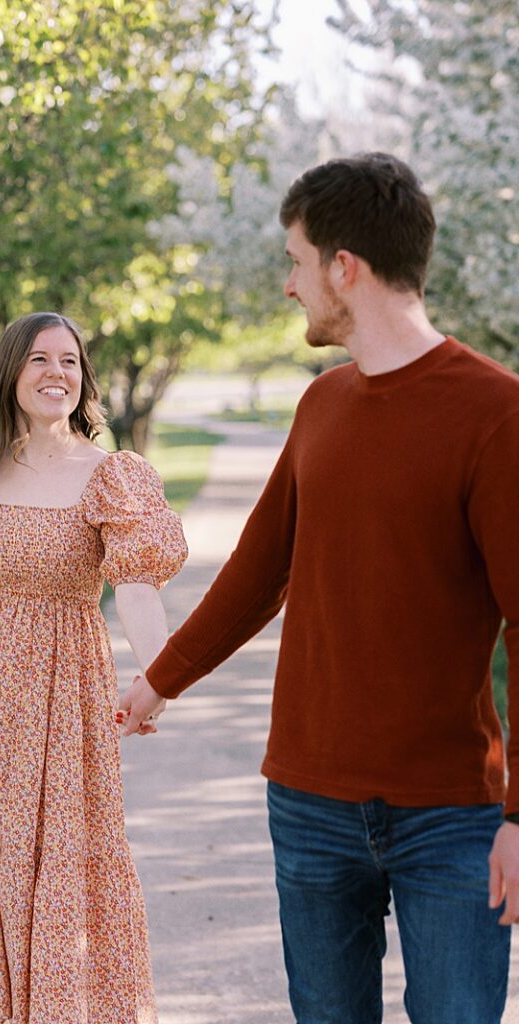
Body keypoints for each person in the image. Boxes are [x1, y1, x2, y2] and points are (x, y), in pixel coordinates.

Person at [120, 153, 519, 1023]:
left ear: (346, 267)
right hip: (308, 802)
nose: (290, 285)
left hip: (449, 815)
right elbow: (261, 571)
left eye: (297, 261)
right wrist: (155, 683)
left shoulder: (497, 413)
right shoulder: (322, 406)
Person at [0, 311, 187, 1024]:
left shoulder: (110, 476)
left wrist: (158, 679)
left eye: (71, 362)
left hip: (61, 704)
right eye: (40, 360)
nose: (58, 373)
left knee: (53, 889)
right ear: (11, 374)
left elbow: (137, 588)